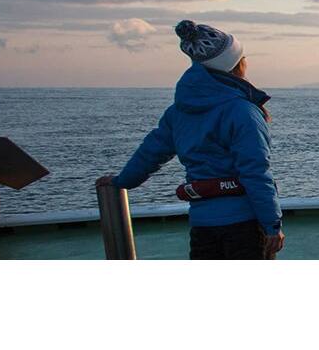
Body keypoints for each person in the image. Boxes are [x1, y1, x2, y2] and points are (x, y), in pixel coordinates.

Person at [96, 20, 284, 259]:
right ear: (236, 64)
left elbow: (150, 153)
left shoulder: (179, 112)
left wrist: (121, 181)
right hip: (244, 226)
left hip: (202, 226)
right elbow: (255, 172)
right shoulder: (242, 112)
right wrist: (272, 225)